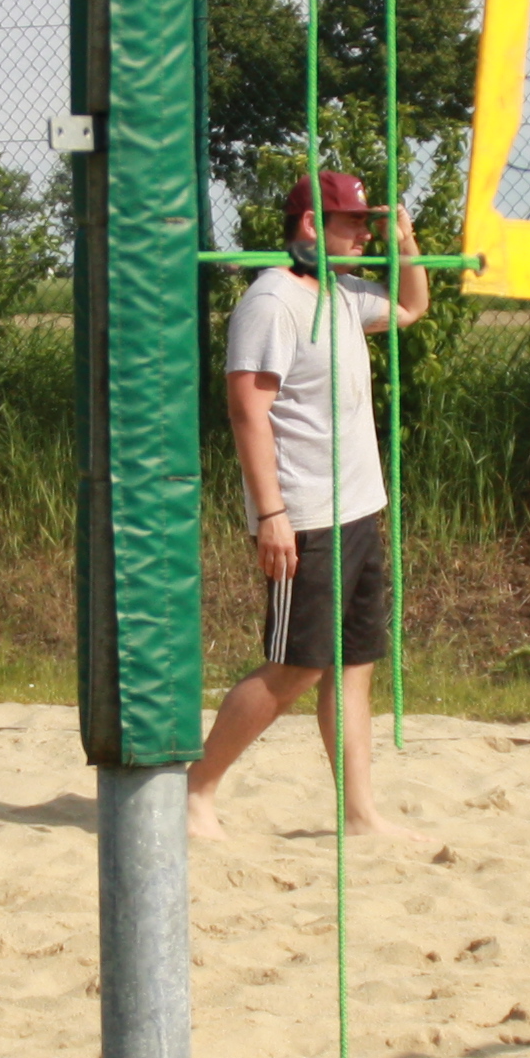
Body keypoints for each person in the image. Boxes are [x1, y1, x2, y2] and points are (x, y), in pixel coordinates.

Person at [189, 166, 430, 840]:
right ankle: (196, 790)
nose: (364, 236)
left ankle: (359, 813)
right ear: (309, 227)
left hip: (358, 506)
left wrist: (405, 242)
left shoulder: (343, 295)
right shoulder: (272, 303)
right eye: (355, 224)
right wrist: (271, 514)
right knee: (295, 666)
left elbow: (411, 308)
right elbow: (246, 410)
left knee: (353, 668)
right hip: (305, 517)